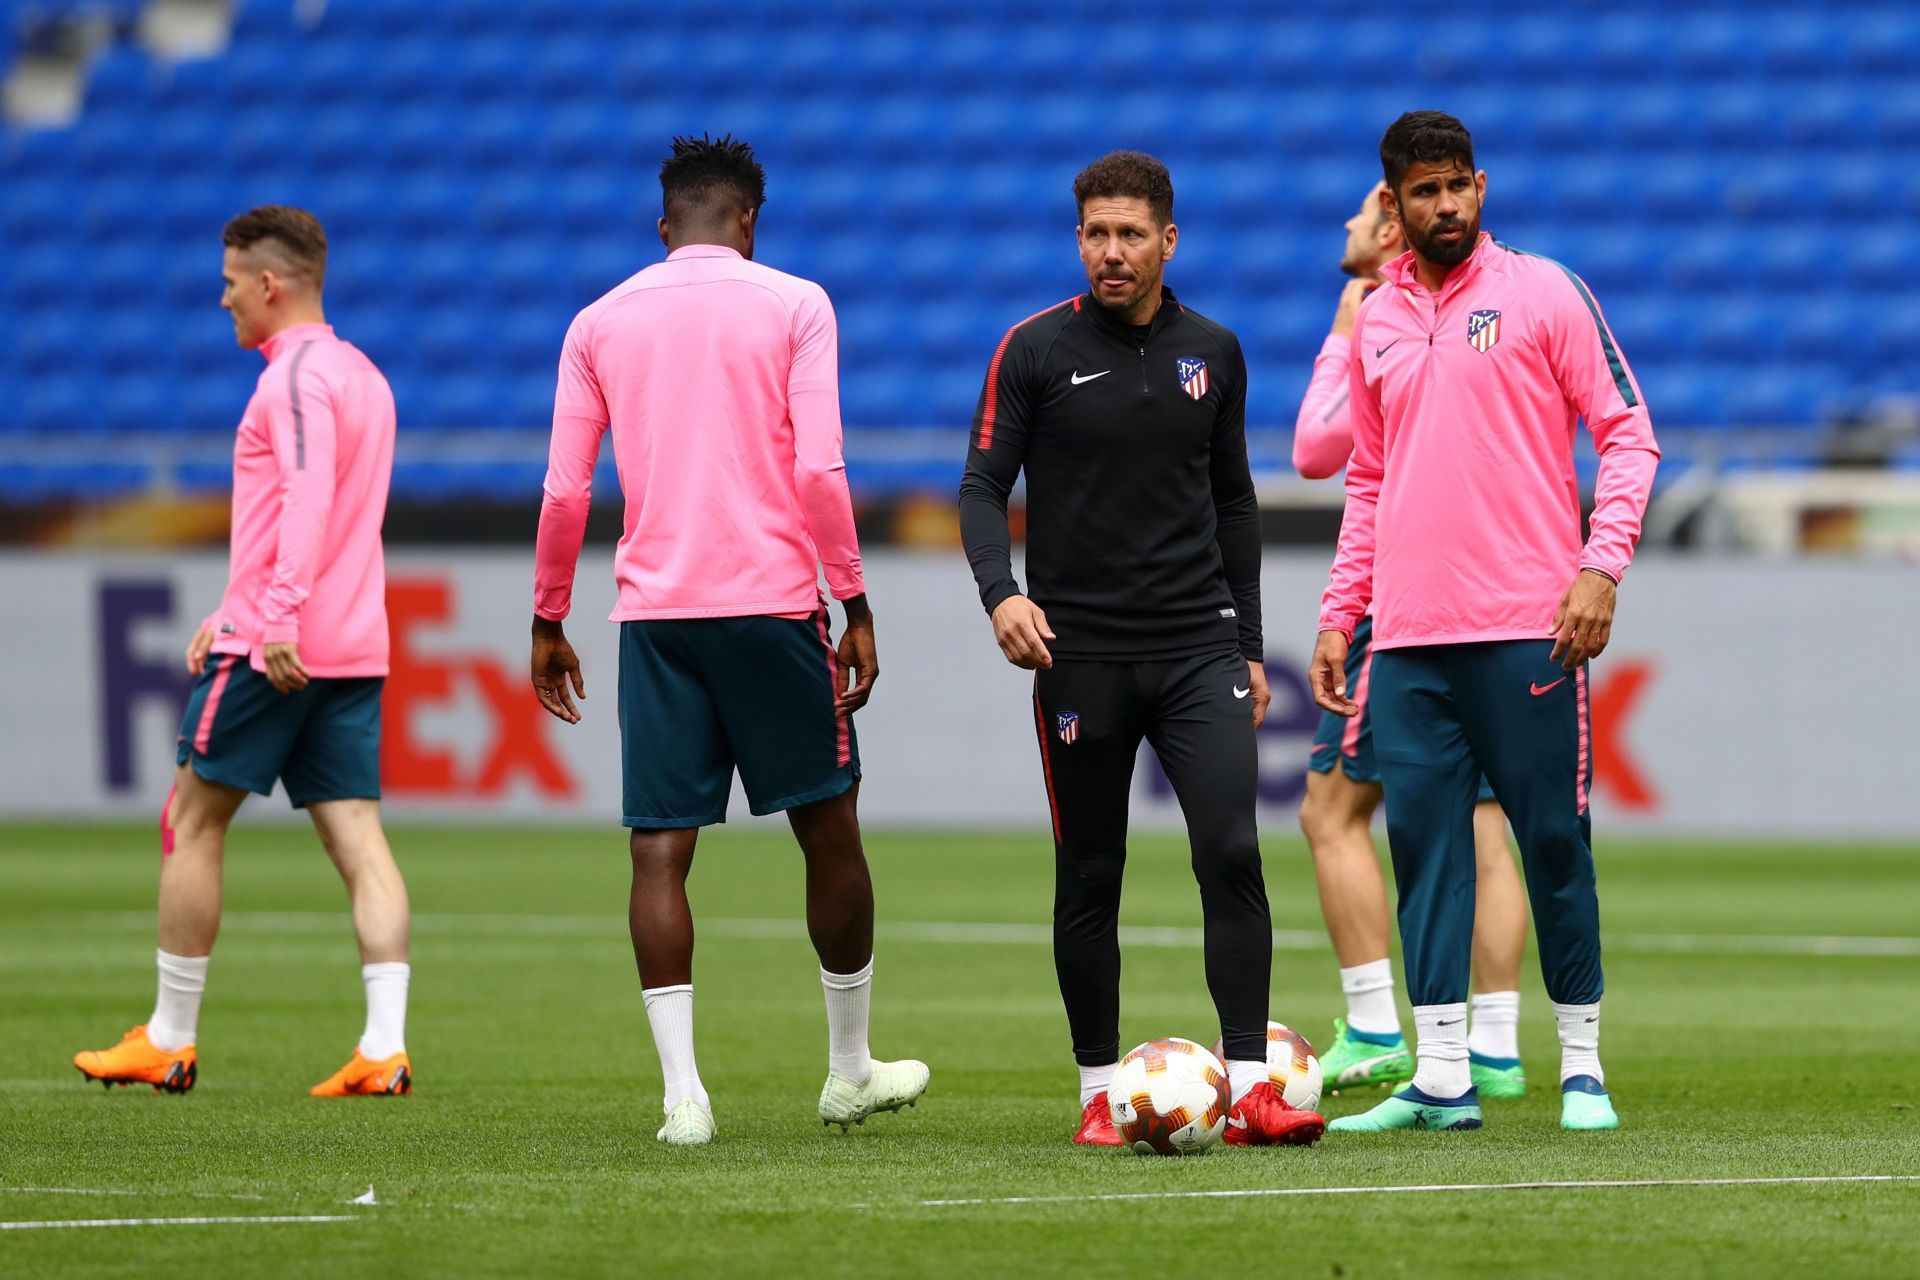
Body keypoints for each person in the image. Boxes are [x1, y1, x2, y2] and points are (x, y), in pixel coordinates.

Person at [529, 135, 926, 1147]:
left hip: (657, 617)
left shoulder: (599, 320)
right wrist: (855, 601)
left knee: (660, 849)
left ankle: (683, 1097)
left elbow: (568, 486)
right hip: (772, 604)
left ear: (665, 228)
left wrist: (547, 613)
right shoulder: (797, 304)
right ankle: (847, 1070)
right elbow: (820, 468)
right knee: (828, 828)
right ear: (750, 220)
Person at [959, 151, 1324, 1149]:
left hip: (1197, 644)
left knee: (1233, 848)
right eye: (1094, 234)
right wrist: (1003, 596)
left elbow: (1234, 500)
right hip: (1081, 653)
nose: (1110, 253)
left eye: (1129, 234)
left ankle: (1251, 1083)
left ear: (1168, 240)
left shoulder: (1215, 349)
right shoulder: (1033, 350)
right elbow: (983, 487)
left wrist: (1248, 644)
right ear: (1078, 240)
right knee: (1091, 872)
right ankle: (1094, 1090)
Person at [1312, 113, 1659, 1133]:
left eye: (1458, 185)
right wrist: (1343, 612)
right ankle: (1443, 1077)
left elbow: (1630, 433)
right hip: (1411, 637)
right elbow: (1368, 478)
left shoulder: (1543, 291)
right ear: (1395, 205)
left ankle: (1584, 1067)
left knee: (1554, 840)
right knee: (1425, 851)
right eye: (1423, 191)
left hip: (1530, 627)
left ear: (1481, 186)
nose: (1446, 205)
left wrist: (1601, 567)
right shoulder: (1377, 315)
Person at [74, 206, 412, 1099]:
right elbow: (333, 515)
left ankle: (169, 1037)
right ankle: (385, 1048)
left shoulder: (294, 380)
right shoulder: (364, 377)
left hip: (279, 646)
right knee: (360, 840)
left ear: (270, 284)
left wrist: (271, 617)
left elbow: (303, 499)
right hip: (350, 643)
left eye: (230, 282)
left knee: (189, 822)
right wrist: (234, 602)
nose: (222, 298)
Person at [1293, 181, 1532, 1101]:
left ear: (1390, 223)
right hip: (1496, 591)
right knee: (1483, 823)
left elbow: (1321, 450)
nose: (1345, 226)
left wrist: (1341, 332)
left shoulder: (1379, 306)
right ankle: (1499, 1048)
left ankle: (1374, 1027)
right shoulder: (1488, 297)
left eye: (1358, 213)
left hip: (1412, 604)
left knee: (1330, 811)